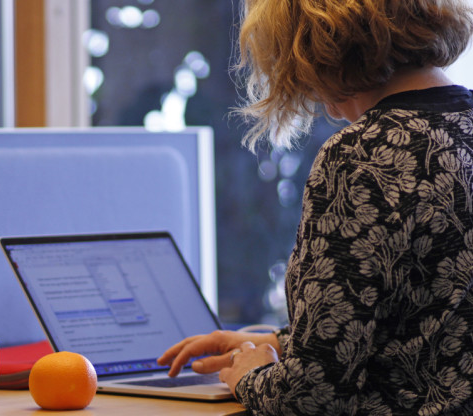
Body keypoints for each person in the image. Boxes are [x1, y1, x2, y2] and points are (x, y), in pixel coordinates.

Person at [158, 0, 473, 414]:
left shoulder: (363, 154)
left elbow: (313, 395)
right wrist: (280, 343)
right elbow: (430, 317)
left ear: (320, 50)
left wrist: (249, 374)